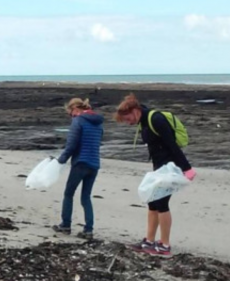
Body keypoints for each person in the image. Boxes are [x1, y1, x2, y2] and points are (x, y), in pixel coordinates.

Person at [115, 94, 196, 257]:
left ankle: (165, 245)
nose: (128, 122)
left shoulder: (156, 119)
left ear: (135, 110)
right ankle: (149, 241)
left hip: (170, 168)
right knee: (152, 202)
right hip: (158, 168)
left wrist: (187, 169)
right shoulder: (143, 122)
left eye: (128, 118)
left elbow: (172, 145)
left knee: (161, 204)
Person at [52, 98, 103, 239]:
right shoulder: (98, 123)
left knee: (69, 193)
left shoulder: (78, 121)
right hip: (94, 163)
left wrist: (60, 161)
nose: (72, 117)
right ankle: (88, 229)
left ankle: (65, 225)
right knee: (86, 196)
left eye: (71, 113)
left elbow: (71, 145)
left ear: (75, 109)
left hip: (80, 163)